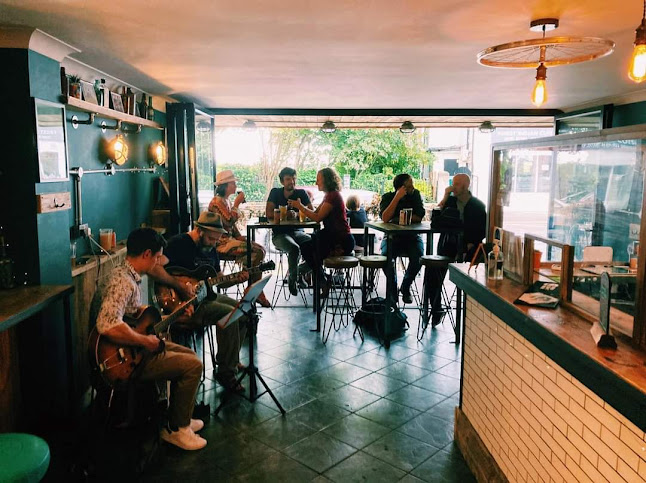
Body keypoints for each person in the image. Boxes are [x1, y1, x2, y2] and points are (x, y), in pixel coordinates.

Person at [90, 228, 206, 451]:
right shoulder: (122, 283)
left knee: (189, 355)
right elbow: (107, 324)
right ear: (146, 254)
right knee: (193, 365)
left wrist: (176, 314)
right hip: (123, 360)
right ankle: (177, 431)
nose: (158, 263)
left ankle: (179, 416)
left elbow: (137, 322)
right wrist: (144, 342)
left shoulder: (126, 275)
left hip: (134, 346)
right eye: (157, 257)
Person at [149, 211, 249, 393]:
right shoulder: (178, 244)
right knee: (230, 314)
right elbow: (154, 268)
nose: (213, 243)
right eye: (211, 239)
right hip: (184, 303)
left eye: (216, 240)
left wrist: (236, 279)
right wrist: (179, 286)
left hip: (206, 296)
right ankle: (227, 373)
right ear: (199, 230)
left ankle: (230, 361)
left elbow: (218, 278)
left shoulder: (211, 248)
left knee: (242, 309)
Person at [208, 169, 270, 307]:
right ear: (225, 186)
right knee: (257, 251)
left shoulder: (225, 201)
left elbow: (231, 226)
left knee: (260, 248)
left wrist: (238, 236)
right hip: (220, 243)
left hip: (229, 240)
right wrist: (237, 204)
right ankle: (253, 290)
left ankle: (252, 288)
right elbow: (228, 221)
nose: (235, 186)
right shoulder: (216, 203)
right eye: (233, 183)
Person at [431, 173, 486, 326]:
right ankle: (436, 309)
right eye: (453, 183)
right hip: (448, 244)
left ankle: (470, 314)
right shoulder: (450, 201)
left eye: (457, 184)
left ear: (466, 185)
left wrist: (470, 242)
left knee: (471, 278)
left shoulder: (478, 206)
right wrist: (445, 196)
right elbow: (435, 222)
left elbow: (482, 230)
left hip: (469, 249)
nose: (453, 187)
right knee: (432, 272)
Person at [289, 167, 354, 292]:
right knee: (307, 248)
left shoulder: (332, 196)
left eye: (318, 179)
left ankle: (320, 281)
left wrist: (300, 206)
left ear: (327, 180)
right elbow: (314, 214)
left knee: (310, 250)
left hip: (341, 241)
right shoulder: (328, 196)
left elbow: (317, 218)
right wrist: (299, 212)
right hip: (333, 238)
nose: (316, 182)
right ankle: (322, 280)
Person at [379, 173, 426, 304]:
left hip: (412, 237)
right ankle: (393, 291)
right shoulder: (388, 197)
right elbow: (385, 217)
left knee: (418, 257)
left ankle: (405, 287)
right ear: (401, 188)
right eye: (409, 186)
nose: (412, 187)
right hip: (391, 237)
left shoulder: (415, 195)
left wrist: (398, 218)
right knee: (386, 258)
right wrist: (397, 198)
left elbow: (420, 216)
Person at [266, 167, 312, 295]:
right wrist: (284, 215)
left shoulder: (301, 193)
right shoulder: (275, 192)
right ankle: (293, 280)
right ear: (282, 181)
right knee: (294, 249)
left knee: (317, 245)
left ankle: (297, 272)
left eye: (293, 179)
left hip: (298, 232)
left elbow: (311, 212)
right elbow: (268, 213)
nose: (291, 181)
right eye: (288, 179)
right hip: (280, 234)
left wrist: (297, 215)